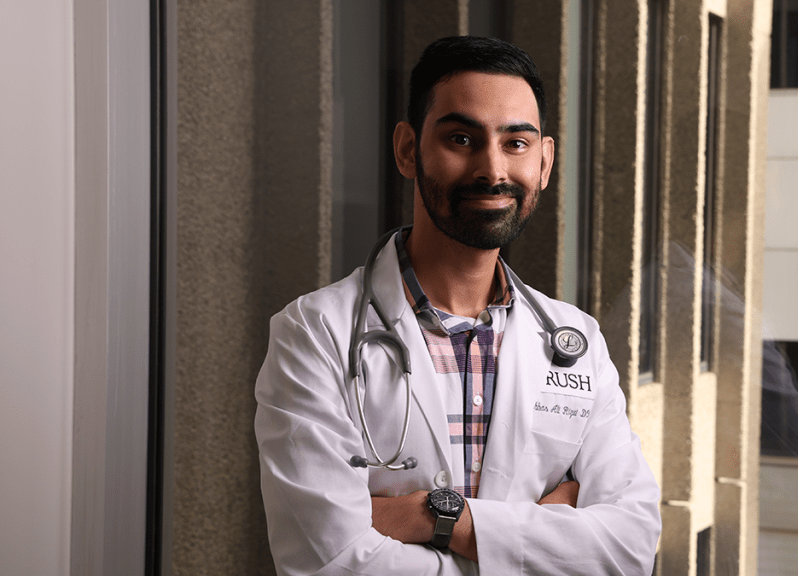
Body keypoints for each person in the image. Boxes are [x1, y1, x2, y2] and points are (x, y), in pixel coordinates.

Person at [254, 35, 661, 575]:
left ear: (544, 161)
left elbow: (628, 548)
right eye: (462, 138)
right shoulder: (316, 333)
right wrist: (536, 539)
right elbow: (331, 561)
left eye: (516, 143)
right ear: (407, 149)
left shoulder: (575, 340)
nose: (492, 169)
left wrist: (434, 519)